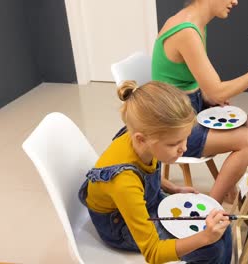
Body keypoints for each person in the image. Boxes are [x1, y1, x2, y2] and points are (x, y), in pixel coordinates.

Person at [78, 81, 232, 264]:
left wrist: (173, 188)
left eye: (186, 139)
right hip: (118, 225)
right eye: (174, 144)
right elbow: (153, 253)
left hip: (142, 201)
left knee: (223, 222)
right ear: (141, 139)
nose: (184, 148)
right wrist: (205, 238)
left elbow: (145, 175)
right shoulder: (124, 182)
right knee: (211, 248)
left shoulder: (145, 139)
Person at [152, 0, 248, 204]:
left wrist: (205, 96)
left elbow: (188, 79)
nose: (235, 1)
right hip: (173, 127)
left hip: (187, 108)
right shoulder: (187, 31)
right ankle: (211, 206)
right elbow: (219, 91)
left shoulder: (195, 23)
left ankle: (229, 190)